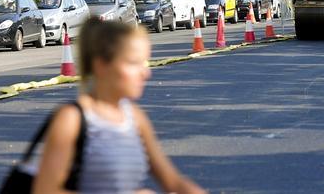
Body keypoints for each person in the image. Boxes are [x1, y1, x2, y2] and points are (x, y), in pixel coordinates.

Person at [33, 18, 206, 194]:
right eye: (133, 63)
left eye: (144, 63)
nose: (146, 72)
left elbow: (173, 182)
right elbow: (45, 190)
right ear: (101, 65)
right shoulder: (71, 119)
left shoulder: (134, 117)